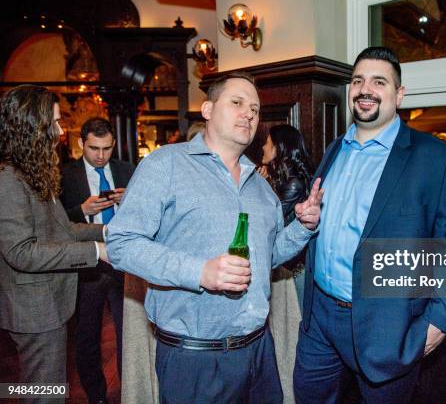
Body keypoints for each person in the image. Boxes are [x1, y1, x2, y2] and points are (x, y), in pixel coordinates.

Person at [106, 72, 323, 403]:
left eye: (254, 108)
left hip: (259, 351)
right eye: (237, 103)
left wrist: (302, 228)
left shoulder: (260, 185)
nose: (248, 113)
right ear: (207, 109)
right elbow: (121, 244)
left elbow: (269, 255)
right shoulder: (166, 165)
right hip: (194, 359)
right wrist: (200, 272)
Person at [293, 47, 446, 403]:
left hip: (388, 325)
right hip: (320, 320)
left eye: (379, 81)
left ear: (398, 95)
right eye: (358, 80)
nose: (365, 89)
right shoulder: (334, 150)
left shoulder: (438, 159)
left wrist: (437, 324)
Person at [0, 85, 107, 393]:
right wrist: (95, 251)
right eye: (56, 123)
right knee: (43, 392)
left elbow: (62, 229)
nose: (61, 131)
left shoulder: (32, 172)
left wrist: (106, 232)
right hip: (33, 309)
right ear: (32, 126)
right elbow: (22, 253)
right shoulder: (9, 179)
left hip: (49, 303)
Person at [60, 117, 134, 404]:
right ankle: (97, 397)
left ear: (113, 144)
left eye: (106, 148)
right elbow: (53, 224)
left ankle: (130, 392)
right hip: (86, 265)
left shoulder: (127, 171)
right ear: (81, 144)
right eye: (93, 148)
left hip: (122, 262)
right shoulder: (64, 175)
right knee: (87, 337)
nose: (100, 156)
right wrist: (81, 209)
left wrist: (129, 200)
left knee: (128, 333)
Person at [259, 124, 312, 402]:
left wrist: (262, 184)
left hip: (295, 272)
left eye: (267, 143)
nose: (264, 148)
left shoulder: (293, 183)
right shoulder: (282, 179)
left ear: (279, 147)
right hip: (283, 270)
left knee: (297, 331)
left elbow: (268, 223)